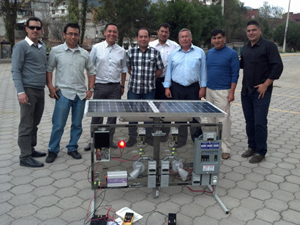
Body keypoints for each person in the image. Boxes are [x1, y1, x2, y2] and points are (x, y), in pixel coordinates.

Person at [46, 23, 96, 163]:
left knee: (77, 124)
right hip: (63, 94)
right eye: (70, 34)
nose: (73, 37)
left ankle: (72, 147)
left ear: (79, 36)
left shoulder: (84, 53)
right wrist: (50, 86)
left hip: (80, 95)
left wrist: (90, 89)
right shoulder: (56, 51)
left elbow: (92, 72)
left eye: (76, 34)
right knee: (58, 124)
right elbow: (49, 69)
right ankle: (53, 149)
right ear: (64, 35)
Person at [240, 20, 283, 163]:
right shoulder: (245, 48)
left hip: (261, 92)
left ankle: (261, 151)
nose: (251, 33)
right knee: (249, 121)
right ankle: (251, 147)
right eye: (248, 31)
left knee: (259, 122)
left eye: (254, 30)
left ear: (260, 31)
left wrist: (266, 84)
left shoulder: (269, 46)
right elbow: (241, 65)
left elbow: (277, 67)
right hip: (246, 91)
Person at [84, 23, 127, 151]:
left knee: (112, 116)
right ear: (104, 33)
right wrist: (91, 86)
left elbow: (124, 70)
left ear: (117, 35)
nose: (112, 34)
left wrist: (122, 85)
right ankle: (95, 141)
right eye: (109, 31)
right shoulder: (96, 48)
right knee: (97, 115)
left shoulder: (121, 51)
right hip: (99, 85)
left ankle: (109, 140)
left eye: (114, 32)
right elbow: (90, 68)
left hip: (115, 87)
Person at [11, 17, 47, 168]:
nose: (35, 30)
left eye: (38, 28)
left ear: (41, 30)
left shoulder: (42, 46)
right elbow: (15, 70)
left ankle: (30, 149)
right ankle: (24, 156)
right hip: (28, 90)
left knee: (35, 123)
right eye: (32, 27)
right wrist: (21, 92)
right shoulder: (21, 47)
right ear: (26, 28)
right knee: (26, 124)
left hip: (40, 90)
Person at [164, 28, 207, 148]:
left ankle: (197, 139)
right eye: (182, 37)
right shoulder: (174, 53)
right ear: (179, 40)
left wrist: (203, 87)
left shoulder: (199, 52)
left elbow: (203, 70)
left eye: (186, 36)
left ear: (191, 38)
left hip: (193, 87)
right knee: (179, 115)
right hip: (177, 87)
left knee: (195, 115)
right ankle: (181, 139)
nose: (184, 39)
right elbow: (169, 71)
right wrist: (167, 87)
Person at [126, 28, 164, 147]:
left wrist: (151, 78)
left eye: (145, 36)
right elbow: (129, 68)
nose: (143, 39)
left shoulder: (155, 52)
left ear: (149, 38)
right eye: (141, 36)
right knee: (132, 114)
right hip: (134, 89)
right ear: (137, 38)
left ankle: (148, 137)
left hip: (149, 90)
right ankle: (132, 137)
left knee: (149, 115)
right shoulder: (131, 52)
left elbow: (160, 69)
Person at [206, 29, 240, 160]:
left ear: (224, 38)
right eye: (214, 38)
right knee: (210, 119)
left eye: (219, 38)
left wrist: (231, 92)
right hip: (209, 90)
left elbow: (235, 74)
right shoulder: (209, 53)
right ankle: (212, 144)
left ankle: (225, 148)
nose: (217, 40)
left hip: (223, 91)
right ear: (211, 40)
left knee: (223, 120)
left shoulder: (232, 54)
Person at [149, 23, 179, 142]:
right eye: (161, 31)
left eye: (166, 32)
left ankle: (165, 133)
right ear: (158, 31)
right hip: (152, 81)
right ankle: (152, 132)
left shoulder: (175, 46)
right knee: (152, 107)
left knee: (166, 108)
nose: (163, 34)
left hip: (168, 82)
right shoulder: (151, 45)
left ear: (169, 33)